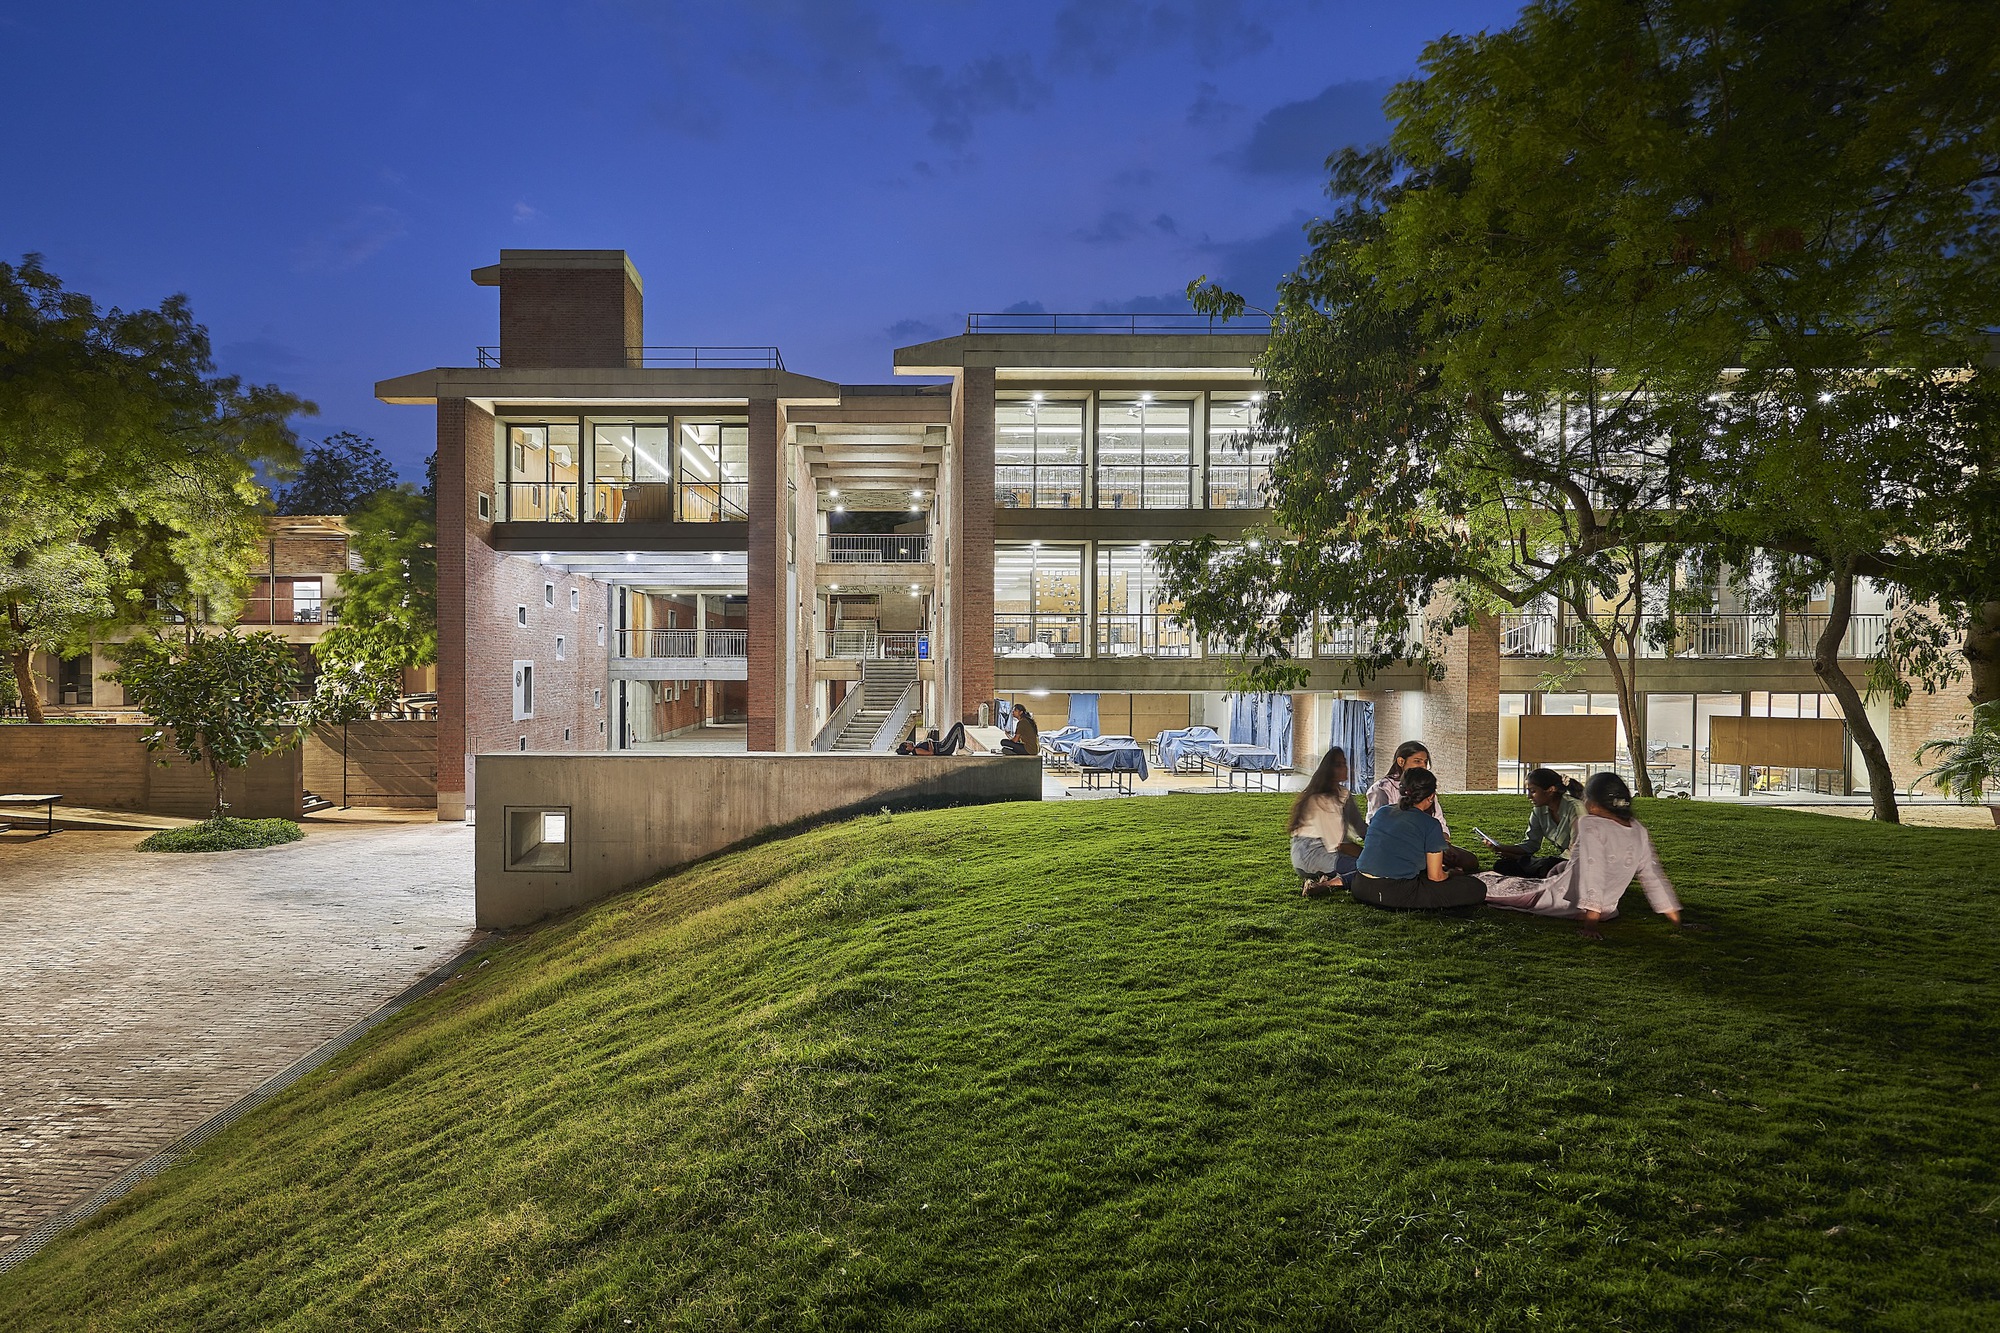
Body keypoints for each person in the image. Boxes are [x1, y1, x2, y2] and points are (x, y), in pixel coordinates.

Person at [1480, 773, 1683, 937]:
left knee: (1497, 888)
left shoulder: (1590, 825)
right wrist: (1676, 920)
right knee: (1518, 878)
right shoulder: (1638, 829)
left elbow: (1592, 872)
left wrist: (1591, 924)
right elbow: (1652, 877)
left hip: (1571, 902)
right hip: (1608, 909)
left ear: (1593, 804)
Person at [1349, 768, 1487, 910]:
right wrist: (1451, 874)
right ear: (1431, 796)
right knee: (1476, 887)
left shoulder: (1382, 812)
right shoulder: (1430, 824)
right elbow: (1436, 877)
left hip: (1360, 885)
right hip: (1395, 893)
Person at [1365, 740, 1480, 873]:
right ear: (1401, 761)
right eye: (1417, 761)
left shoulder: (1426, 788)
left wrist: (1443, 842)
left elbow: (1440, 821)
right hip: (1400, 847)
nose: (1423, 766)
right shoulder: (1382, 789)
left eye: (1425, 762)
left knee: (1469, 861)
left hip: (1431, 843)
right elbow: (1377, 826)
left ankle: (1436, 866)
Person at [1288, 745, 1366, 897]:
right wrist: (1369, 856)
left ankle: (1329, 878)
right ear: (1329, 770)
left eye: (1345, 763)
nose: (1346, 768)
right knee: (1368, 870)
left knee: (1373, 867)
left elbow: (1360, 828)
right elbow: (1339, 845)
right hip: (1311, 853)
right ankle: (1322, 885)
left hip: (1334, 851)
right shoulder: (1321, 801)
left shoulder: (1343, 793)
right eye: (1339, 765)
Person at [1486, 769, 1586, 878]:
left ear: (1550, 790)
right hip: (1558, 862)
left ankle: (1532, 866)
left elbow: (1577, 850)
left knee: (1548, 866)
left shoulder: (1575, 808)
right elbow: (1531, 844)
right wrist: (1502, 847)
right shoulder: (1539, 810)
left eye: (1533, 791)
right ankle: (1532, 867)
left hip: (1579, 862)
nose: (1529, 796)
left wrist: (1537, 861)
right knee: (1503, 865)